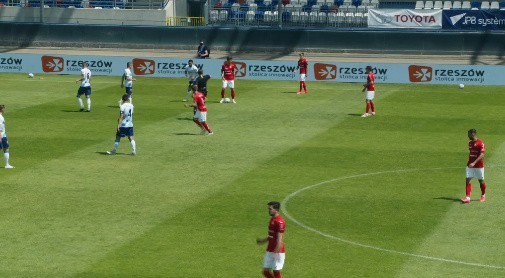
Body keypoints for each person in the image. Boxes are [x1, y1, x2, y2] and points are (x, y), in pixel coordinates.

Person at [257, 201, 286, 278]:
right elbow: (271, 235)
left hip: (278, 251)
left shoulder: (280, 222)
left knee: (276, 272)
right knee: (265, 272)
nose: (269, 210)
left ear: (276, 210)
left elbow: (280, 238)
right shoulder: (272, 219)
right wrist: (263, 241)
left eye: (270, 209)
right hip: (270, 249)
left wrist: (276, 251)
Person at [461, 129, 487, 203]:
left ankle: (483, 195)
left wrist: (474, 163)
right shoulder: (470, 143)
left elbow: (482, 154)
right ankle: (468, 198)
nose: (468, 136)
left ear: (473, 134)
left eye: (469, 134)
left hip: (479, 165)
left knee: (481, 181)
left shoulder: (480, 143)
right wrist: (471, 163)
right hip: (470, 165)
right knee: (468, 180)